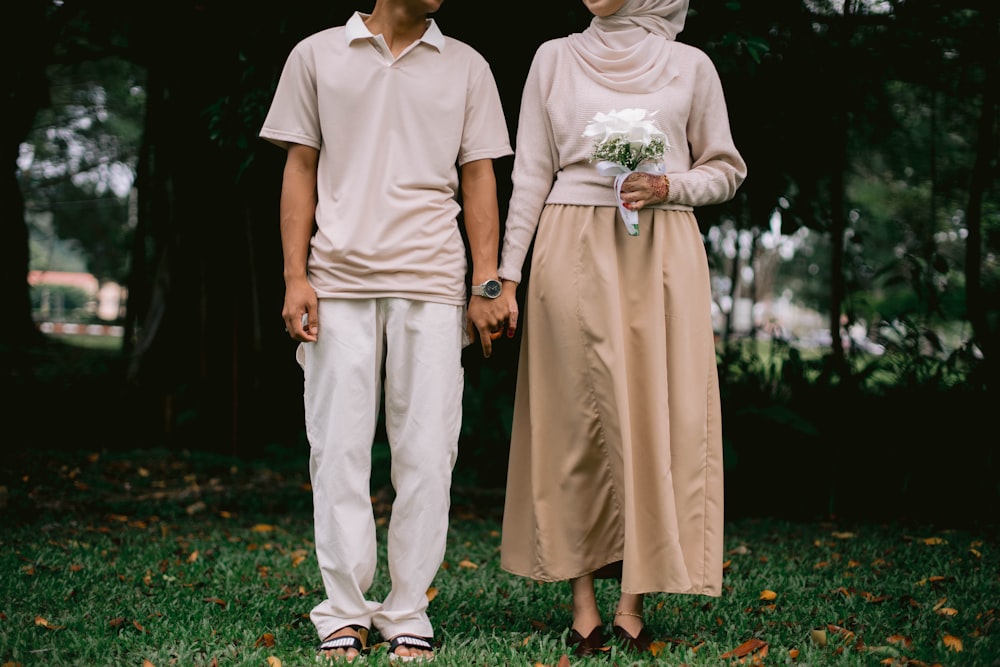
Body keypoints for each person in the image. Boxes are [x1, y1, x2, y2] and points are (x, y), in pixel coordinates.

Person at [259, 1, 513, 662]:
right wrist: (294, 276)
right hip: (336, 279)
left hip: (432, 280)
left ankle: (406, 609)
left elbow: (480, 174)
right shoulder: (316, 55)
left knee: (428, 453)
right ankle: (343, 609)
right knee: (337, 448)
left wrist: (486, 281)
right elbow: (301, 165)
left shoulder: (466, 67)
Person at [496, 0, 747, 657]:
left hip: (661, 254)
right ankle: (582, 603)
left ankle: (634, 600)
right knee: (574, 419)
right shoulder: (552, 58)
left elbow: (726, 168)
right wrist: (506, 275)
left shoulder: (691, 66)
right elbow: (529, 174)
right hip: (570, 245)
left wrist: (669, 186)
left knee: (656, 415)